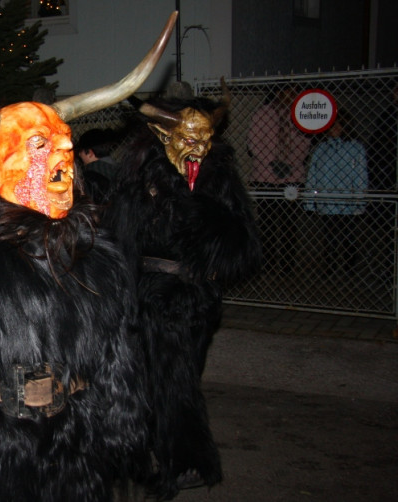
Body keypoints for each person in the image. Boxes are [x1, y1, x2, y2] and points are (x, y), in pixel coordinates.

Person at [0, 0, 177, 502]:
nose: (64, 153)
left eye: (64, 141)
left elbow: (118, 350)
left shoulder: (96, 252)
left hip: (79, 447)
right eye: (40, 146)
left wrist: (118, 427)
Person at [104, 90, 261, 500]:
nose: (199, 148)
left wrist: (194, 209)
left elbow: (242, 245)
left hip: (193, 299)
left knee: (179, 378)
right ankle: (161, 456)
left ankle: (177, 457)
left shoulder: (218, 178)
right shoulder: (140, 179)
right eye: (190, 138)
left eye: (206, 138)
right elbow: (119, 241)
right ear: (164, 135)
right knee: (150, 378)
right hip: (146, 296)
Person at [247, 86, 311, 272]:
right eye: (287, 91)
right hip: (266, 175)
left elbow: (305, 141)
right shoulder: (262, 114)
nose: (290, 95)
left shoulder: (300, 115)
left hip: (292, 176)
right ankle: (268, 261)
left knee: (289, 223)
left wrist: (290, 163)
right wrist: (272, 162)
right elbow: (254, 142)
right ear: (277, 92)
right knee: (267, 221)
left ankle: (287, 263)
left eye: (294, 91)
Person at [303, 109, 368, 273]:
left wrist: (359, 200)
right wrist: (310, 200)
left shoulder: (355, 148)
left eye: (338, 126)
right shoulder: (322, 149)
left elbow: (360, 175)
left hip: (347, 201)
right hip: (327, 201)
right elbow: (313, 175)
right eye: (331, 126)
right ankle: (330, 265)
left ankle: (349, 266)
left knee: (348, 235)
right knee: (329, 236)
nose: (335, 129)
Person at [75, 128, 123, 204]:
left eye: (81, 151)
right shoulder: (119, 168)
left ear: (90, 153)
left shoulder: (90, 174)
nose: (79, 154)